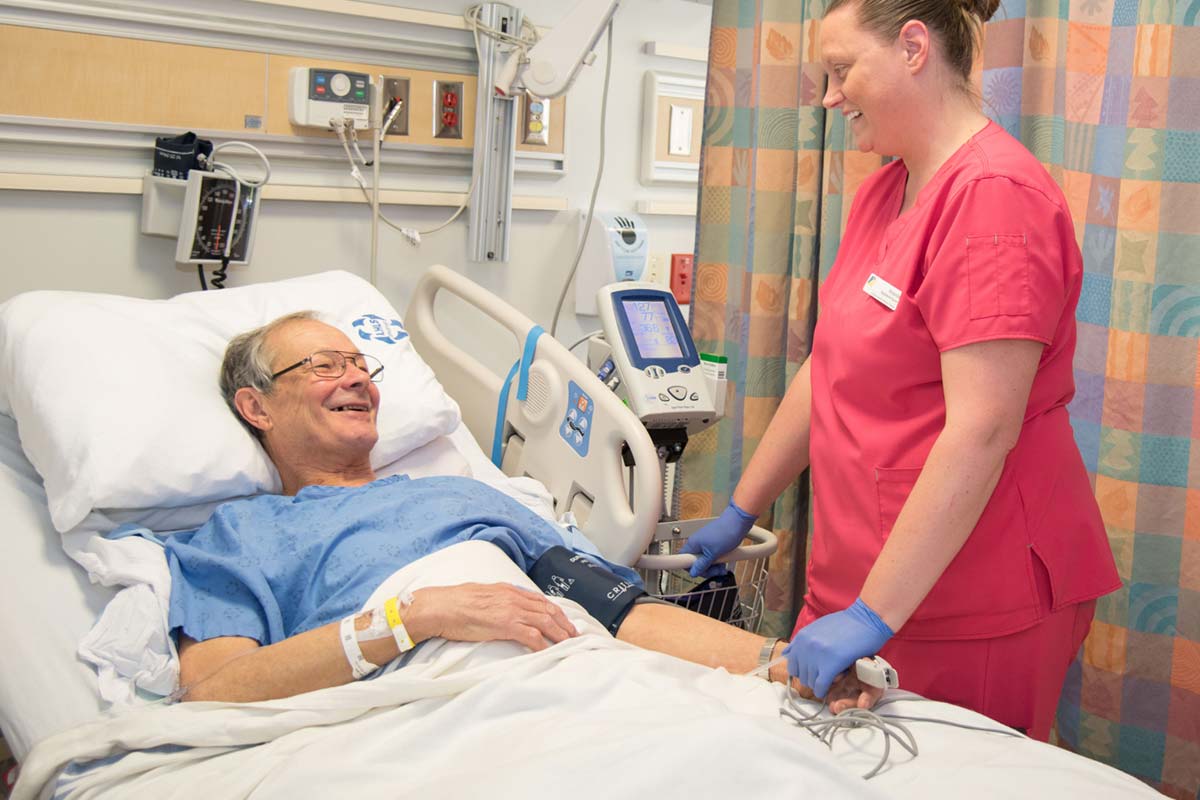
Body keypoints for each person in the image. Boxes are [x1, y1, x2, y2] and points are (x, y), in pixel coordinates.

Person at [681, 0, 1121, 741]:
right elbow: (828, 367)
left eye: (842, 70)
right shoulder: (885, 192)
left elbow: (983, 429)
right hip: (869, 579)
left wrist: (874, 612)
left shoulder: (993, 200)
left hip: (973, 594)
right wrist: (742, 508)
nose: (828, 97)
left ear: (914, 47)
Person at [168, 311, 881, 712]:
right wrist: (414, 615)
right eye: (324, 366)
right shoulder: (239, 535)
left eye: (362, 366)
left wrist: (780, 663)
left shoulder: (462, 495)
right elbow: (215, 692)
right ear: (255, 406)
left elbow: (619, 612)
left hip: (580, 681)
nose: (357, 378)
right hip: (427, 708)